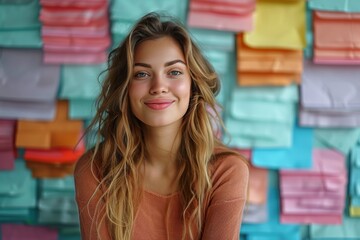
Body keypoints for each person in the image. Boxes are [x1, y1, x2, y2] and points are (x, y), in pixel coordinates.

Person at [74, 12, 249, 240]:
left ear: (193, 85)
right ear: (125, 88)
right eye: (142, 74)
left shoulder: (226, 171)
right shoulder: (95, 170)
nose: (158, 86)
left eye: (174, 72)